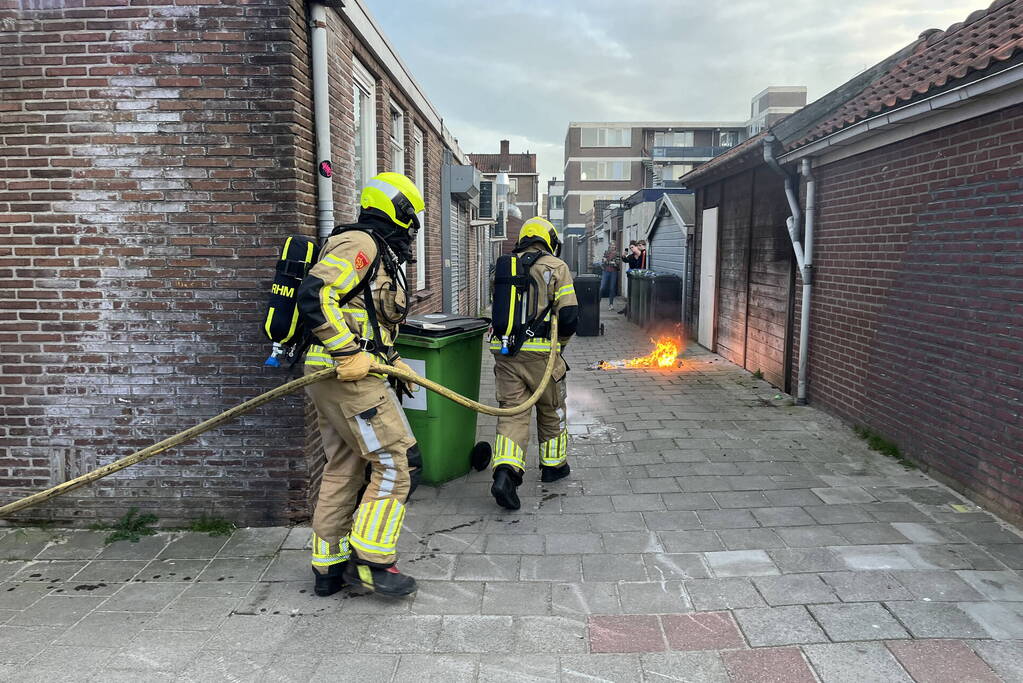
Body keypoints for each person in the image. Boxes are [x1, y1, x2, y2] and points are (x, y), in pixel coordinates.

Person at [296, 172, 425, 599]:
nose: (413, 230)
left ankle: (328, 567)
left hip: (342, 375)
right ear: (397, 210)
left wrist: (392, 361)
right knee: (394, 462)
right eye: (411, 218)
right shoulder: (362, 244)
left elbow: (365, 317)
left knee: (344, 467)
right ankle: (371, 562)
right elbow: (316, 295)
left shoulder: (376, 251)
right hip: (347, 376)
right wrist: (349, 353)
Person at [490, 217, 578, 510]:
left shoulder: (505, 266)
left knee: (512, 413)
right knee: (552, 409)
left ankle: (506, 473)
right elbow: (568, 317)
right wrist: (560, 347)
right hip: (541, 354)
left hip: (505, 353)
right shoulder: (557, 267)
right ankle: (554, 467)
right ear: (550, 239)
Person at [600, 245, 621, 310]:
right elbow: (603, 261)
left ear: (615, 247)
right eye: (611, 246)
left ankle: (611, 304)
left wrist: (608, 262)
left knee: (612, 288)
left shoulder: (617, 254)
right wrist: (611, 262)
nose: (612, 247)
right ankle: (598, 301)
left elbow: (617, 263)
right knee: (602, 287)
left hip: (613, 272)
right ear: (609, 246)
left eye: (614, 246)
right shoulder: (606, 252)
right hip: (606, 271)